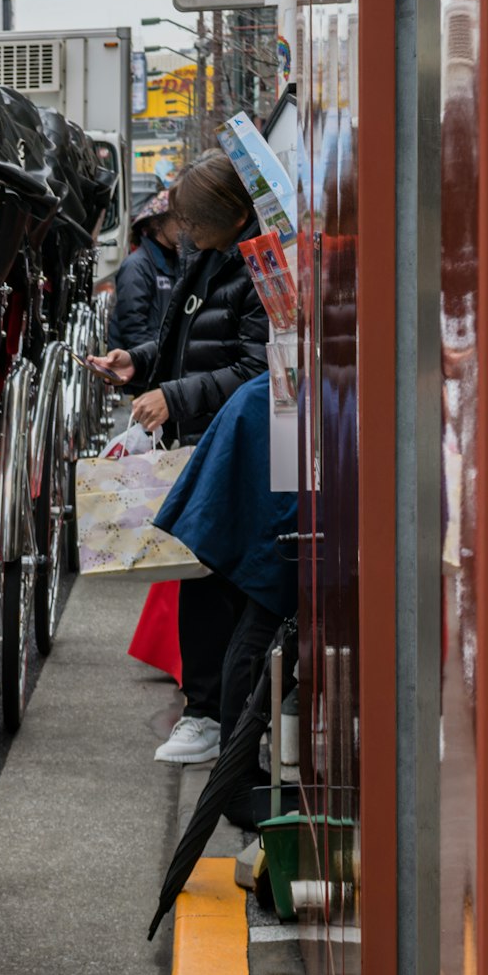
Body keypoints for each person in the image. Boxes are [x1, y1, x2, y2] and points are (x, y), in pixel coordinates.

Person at [86, 152, 270, 760]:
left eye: (193, 221)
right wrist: (138, 363)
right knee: (199, 576)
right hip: (204, 437)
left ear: (228, 215)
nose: (183, 232)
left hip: (239, 443)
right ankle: (206, 711)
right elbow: (182, 339)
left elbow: (255, 367)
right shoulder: (207, 257)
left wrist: (172, 393)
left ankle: (216, 715)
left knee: (218, 583)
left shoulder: (255, 266)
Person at [148, 364, 301, 924]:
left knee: (259, 610)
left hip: (265, 412)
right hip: (273, 416)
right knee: (267, 603)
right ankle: (238, 777)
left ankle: (237, 772)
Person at [109, 189, 182, 359]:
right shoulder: (136, 266)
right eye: (177, 218)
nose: (184, 225)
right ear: (157, 223)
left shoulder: (178, 261)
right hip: (141, 369)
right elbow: (133, 328)